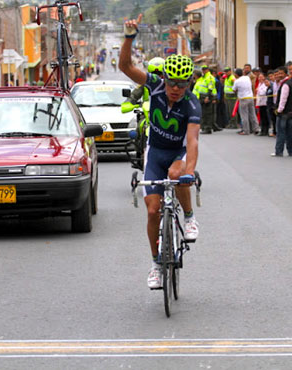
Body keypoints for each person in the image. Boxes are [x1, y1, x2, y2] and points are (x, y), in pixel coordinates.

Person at [119, 14, 201, 289]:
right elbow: (125, 66)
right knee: (153, 211)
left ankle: (189, 218)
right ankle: (156, 264)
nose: (176, 89)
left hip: (176, 153)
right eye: (172, 83)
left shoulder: (191, 104)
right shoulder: (153, 86)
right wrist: (129, 38)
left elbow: (192, 142)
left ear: (189, 83)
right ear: (163, 78)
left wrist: (189, 172)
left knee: (176, 173)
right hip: (155, 152)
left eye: (183, 84)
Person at [271, 66, 292, 157]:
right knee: (289, 133)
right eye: (279, 73)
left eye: (281, 73)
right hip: (290, 111)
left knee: (281, 132)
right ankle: (291, 151)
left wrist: (279, 110)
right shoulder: (289, 82)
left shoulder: (285, 84)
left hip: (284, 112)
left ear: (285, 74)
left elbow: (283, 98)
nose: (280, 75)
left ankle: (279, 151)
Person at [232, 68, 259, 135]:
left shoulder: (237, 81)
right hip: (250, 97)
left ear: (236, 74)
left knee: (244, 115)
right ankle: (256, 128)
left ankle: (246, 130)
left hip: (243, 98)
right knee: (252, 114)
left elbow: (234, 90)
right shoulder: (247, 78)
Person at [193, 65, 217, 134]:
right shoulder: (204, 77)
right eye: (202, 69)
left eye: (204, 69)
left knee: (208, 113)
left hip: (207, 96)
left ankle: (208, 128)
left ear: (207, 70)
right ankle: (204, 127)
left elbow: (210, 88)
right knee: (204, 113)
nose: (203, 71)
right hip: (202, 96)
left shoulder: (209, 77)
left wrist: (208, 97)